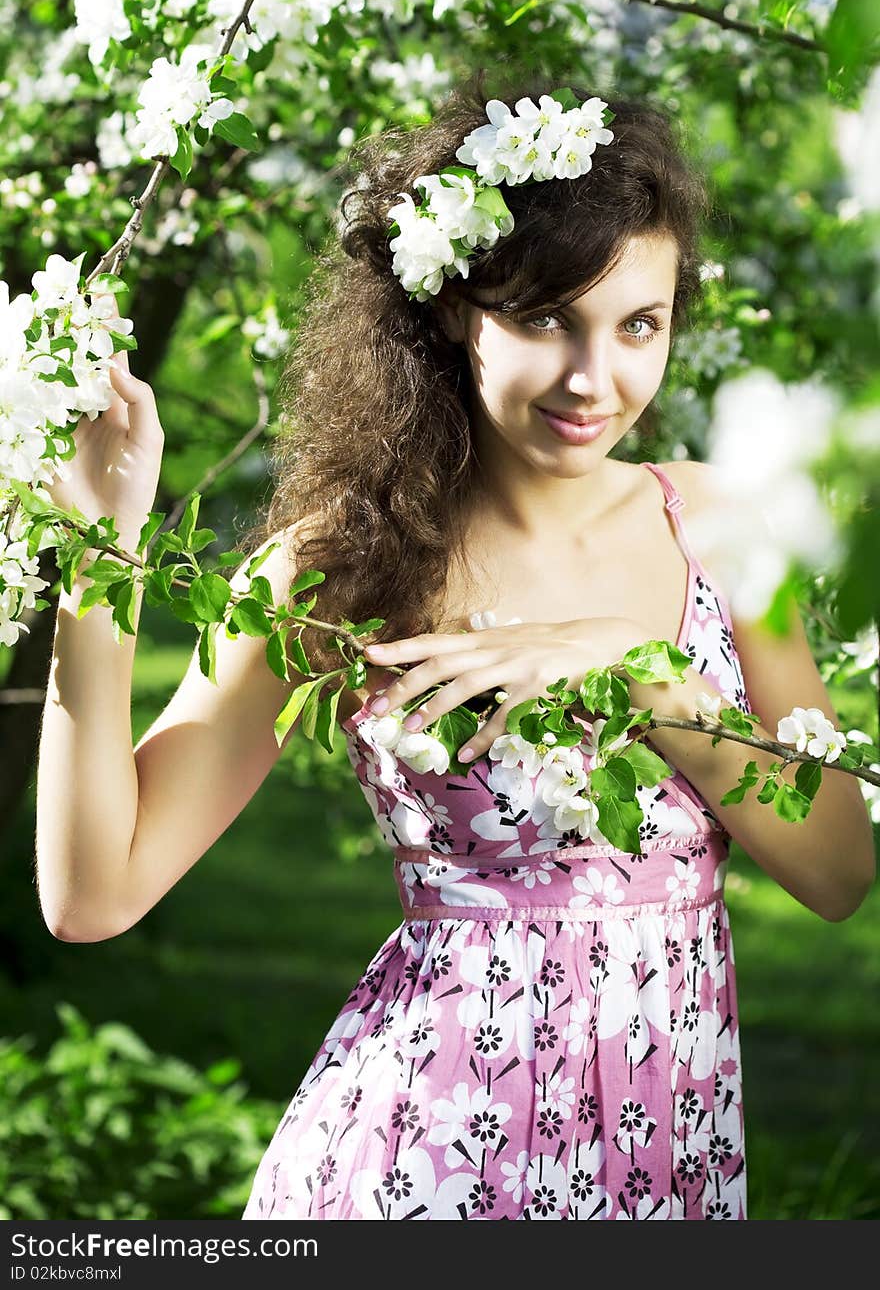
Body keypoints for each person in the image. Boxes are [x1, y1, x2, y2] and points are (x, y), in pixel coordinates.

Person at [36, 69, 875, 1222]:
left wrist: (640, 675)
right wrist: (98, 556)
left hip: (666, 1167)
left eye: (639, 323)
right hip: (423, 1161)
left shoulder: (721, 529)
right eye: (545, 320)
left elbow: (833, 870)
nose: (596, 378)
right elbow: (93, 893)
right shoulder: (342, 566)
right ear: (450, 308)